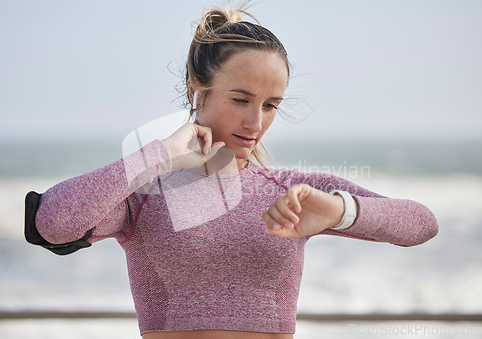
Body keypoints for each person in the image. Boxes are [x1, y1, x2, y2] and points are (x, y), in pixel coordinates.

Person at [26, 4, 438, 339]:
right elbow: (52, 223)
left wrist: (339, 211)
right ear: (196, 90)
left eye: (271, 104)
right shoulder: (146, 193)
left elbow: (422, 224)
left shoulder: (295, 191)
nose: (255, 122)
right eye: (240, 99)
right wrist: (161, 154)